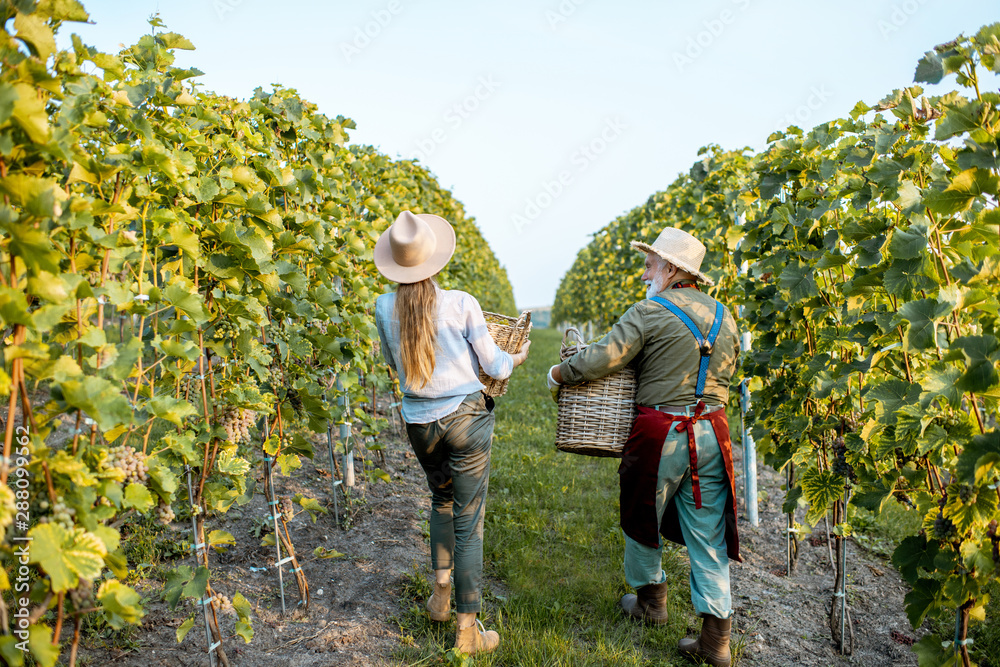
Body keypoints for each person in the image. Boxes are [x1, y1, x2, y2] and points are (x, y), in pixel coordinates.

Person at [547, 227, 741, 667]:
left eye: (650, 264)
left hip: (662, 431)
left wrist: (559, 374)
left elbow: (603, 357)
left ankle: (651, 603)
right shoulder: (725, 316)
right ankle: (716, 640)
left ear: (671, 270)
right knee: (708, 532)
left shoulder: (650, 310)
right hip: (713, 431)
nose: (643, 274)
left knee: (641, 515)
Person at [373, 210, 530, 656]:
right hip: (465, 418)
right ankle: (467, 633)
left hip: (418, 422)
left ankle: (440, 596)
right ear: (436, 261)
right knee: (469, 522)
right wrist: (516, 360)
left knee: (440, 500)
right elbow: (495, 365)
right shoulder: (461, 303)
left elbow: (392, 360)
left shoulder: (384, 307)